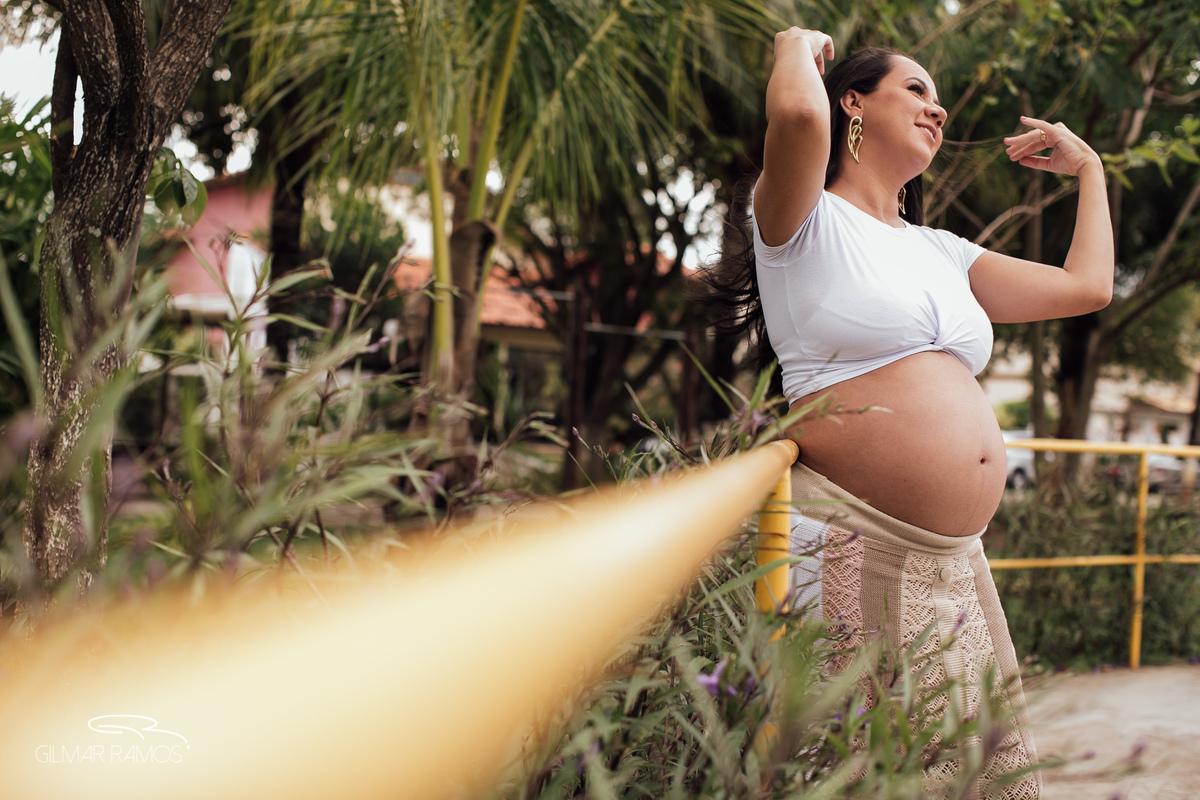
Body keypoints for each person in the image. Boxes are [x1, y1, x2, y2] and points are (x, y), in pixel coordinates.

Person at [703, 28, 1114, 798]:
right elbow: (795, 120)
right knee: (868, 772)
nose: (939, 107)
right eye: (916, 90)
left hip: (951, 561)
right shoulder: (800, 222)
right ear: (851, 103)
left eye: (938, 97)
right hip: (861, 540)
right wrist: (794, 45)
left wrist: (1089, 169)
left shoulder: (943, 251)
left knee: (959, 776)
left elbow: (1087, 287)